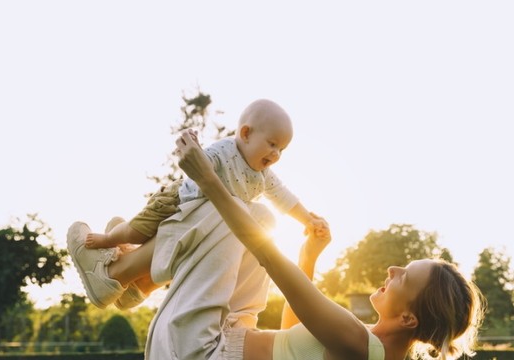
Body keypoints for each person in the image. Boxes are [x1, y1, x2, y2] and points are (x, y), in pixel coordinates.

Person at [68, 129, 485, 359]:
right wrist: (308, 256)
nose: (392, 270)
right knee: (263, 217)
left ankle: (117, 273)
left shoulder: (361, 346)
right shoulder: (364, 345)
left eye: (404, 276)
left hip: (195, 352)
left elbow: (269, 257)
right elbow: (293, 334)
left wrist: (208, 178)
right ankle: (139, 281)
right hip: (223, 338)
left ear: (410, 319)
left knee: (235, 210)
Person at [81, 98, 328, 310]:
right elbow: (201, 162)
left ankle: (135, 284)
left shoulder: (264, 175)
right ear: (246, 133)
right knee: (135, 232)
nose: (276, 155)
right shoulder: (226, 151)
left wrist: (307, 219)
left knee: (239, 225)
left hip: (204, 220)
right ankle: (109, 241)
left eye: (282, 150)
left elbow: (284, 197)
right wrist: (195, 149)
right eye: (272, 144)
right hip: (177, 201)